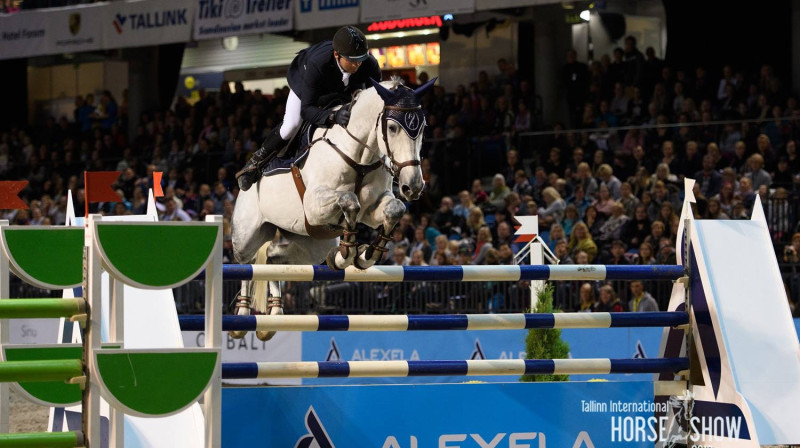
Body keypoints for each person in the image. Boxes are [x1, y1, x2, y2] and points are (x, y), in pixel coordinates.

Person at [236, 26, 382, 190]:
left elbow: (376, 99)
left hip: (342, 88)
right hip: (308, 84)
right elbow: (307, 110)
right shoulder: (318, 64)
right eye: (353, 60)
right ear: (337, 55)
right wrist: (332, 116)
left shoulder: (368, 64)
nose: (358, 64)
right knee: (290, 125)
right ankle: (255, 163)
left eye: (361, 58)